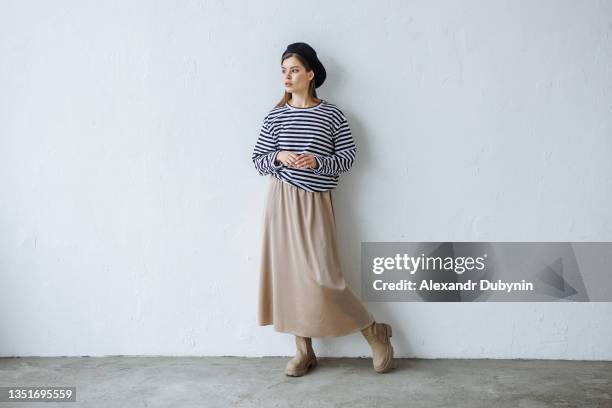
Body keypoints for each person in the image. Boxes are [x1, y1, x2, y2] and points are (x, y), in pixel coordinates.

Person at [251, 42, 396, 376]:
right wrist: (278, 157)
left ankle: (375, 331)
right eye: (284, 71)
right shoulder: (274, 116)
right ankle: (304, 350)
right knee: (288, 278)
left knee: (325, 278)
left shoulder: (331, 114)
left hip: (315, 202)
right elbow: (258, 160)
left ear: (311, 74)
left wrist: (318, 161)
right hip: (282, 200)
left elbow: (347, 157)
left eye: (295, 70)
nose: (287, 77)